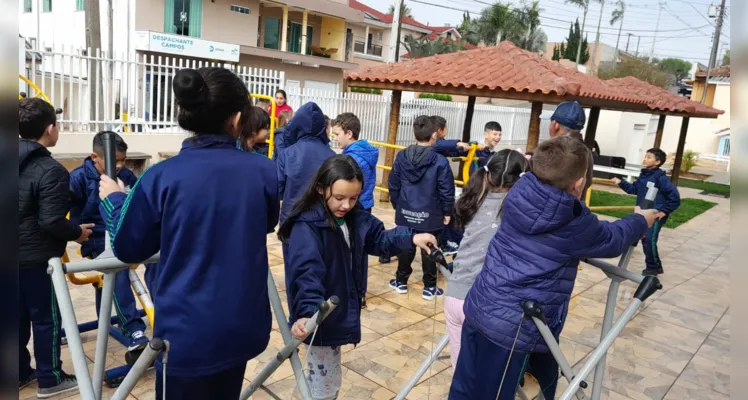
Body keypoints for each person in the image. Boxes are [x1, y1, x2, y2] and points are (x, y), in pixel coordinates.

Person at [97, 67, 280, 400]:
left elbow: (128, 246)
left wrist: (113, 199)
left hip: (187, 334)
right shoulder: (264, 171)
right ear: (238, 119)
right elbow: (265, 222)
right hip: (242, 326)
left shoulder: (160, 177)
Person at [449, 136, 663, 400]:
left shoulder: (519, 190)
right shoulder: (570, 219)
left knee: (466, 386)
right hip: (516, 327)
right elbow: (611, 239)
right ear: (580, 183)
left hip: (481, 306)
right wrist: (640, 220)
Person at [280, 155, 438, 400]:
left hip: (338, 310)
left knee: (322, 378)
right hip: (319, 315)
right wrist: (307, 312)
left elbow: (379, 239)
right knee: (324, 384)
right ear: (321, 189)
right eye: (340, 197)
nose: (346, 204)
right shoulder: (307, 226)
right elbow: (305, 272)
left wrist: (411, 238)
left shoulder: (355, 218)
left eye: (353, 198)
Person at [19, 98, 92, 398]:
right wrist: (78, 232)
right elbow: (51, 222)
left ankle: (20, 373)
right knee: (46, 319)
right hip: (37, 260)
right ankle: (50, 379)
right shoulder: (50, 169)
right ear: (50, 130)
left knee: (15, 318)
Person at [444, 149, 529, 371]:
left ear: (488, 175)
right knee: (484, 377)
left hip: (454, 295)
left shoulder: (473, 200)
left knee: (461, 372)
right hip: (483, 303)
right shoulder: (517, 209)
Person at [68, 131, 149, 352]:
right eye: (116, 160)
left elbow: (137, 203)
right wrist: (76, 231)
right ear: (95, 157)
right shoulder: (78, 178)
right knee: (117, 268)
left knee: (157, 255)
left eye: (123, 160)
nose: (121, 165)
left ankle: (165, 312)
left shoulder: (126, 176)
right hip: (95, 238)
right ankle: (133, 329)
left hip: (121, 231)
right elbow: (62, 211)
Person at [388, 115, 455, 300]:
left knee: (405, 245)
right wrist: (447, 211)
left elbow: (393, 184)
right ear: (434, 135)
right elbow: (446, 189)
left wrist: (398, 205)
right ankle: (429, 288)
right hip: (430, 214)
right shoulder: (440, 161)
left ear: (414, 134)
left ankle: (400, 282)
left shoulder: (401, 156)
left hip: (405, 212)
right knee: (429, 249)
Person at [614, 148, 680, 276]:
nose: (645, 159)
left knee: (649, 239)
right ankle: (623, 261)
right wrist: (621, 182)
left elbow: (675, 198)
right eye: (645, 156)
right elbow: (633, 189)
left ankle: (654, 267)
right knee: (634, 234)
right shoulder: (644, 175)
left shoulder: (661, 178)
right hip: (642, 212)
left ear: (657, 162)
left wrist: (664, 211)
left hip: (655, 214)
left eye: (649, 157)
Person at [277, 102, 336, 224]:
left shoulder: (287, 154)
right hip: (322, 220)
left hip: (292, 218)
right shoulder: (332, 156)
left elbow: (279, 189)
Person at [331, 113, 378, 212]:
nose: (334, 138)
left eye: (337, 134)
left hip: (353, 206)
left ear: (349, 134)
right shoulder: (364, 152)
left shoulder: (352, 158)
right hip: (365, 204)